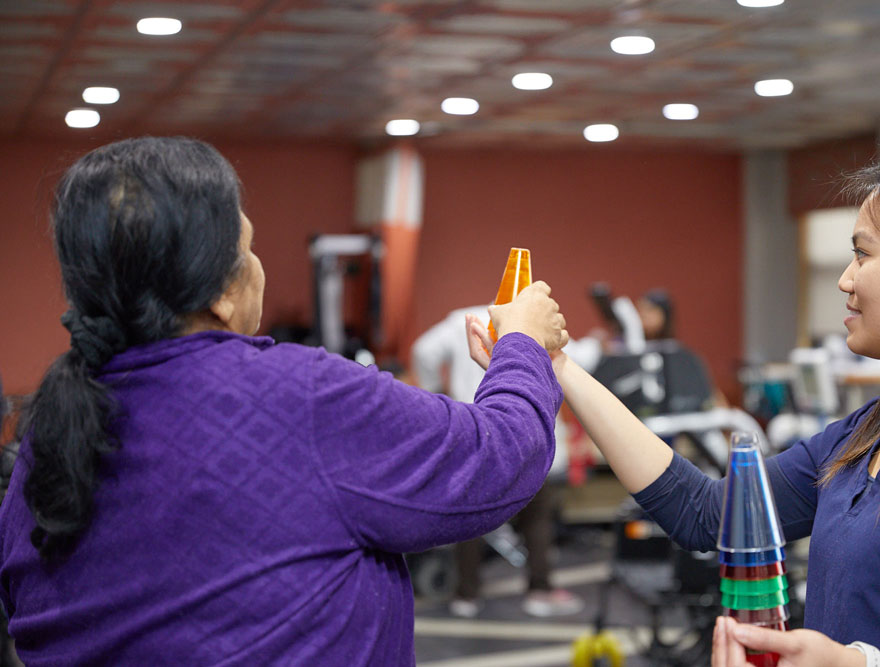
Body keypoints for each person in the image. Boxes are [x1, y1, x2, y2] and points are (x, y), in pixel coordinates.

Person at [0, 136, 570, 665]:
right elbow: (498, 457)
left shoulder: (46, 437)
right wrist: (523, 344)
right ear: (221, 294)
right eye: (248, 247)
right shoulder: (302, 397)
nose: (257, 265)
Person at [467, 144, 880, 667]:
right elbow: (708, 514)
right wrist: (556, 365)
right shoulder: (864, 437)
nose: (845, 279)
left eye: (863, 254)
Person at [412, 306, 599, 618]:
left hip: (476, 429)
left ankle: (466, 595)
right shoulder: (535, 319)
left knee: (469, 516)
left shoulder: (466, 317)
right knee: (536, 516)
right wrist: (598, 342)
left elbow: (423, 350)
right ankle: (539, 591)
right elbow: (581, 359)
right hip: (527, 432)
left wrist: (436, 393)